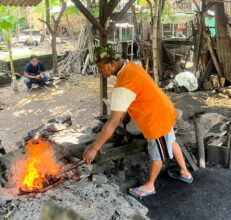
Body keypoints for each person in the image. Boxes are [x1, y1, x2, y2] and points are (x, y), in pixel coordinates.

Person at [83, 45, 193, 198]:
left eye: (100, 68)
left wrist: (95, 147)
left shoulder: (122, 87)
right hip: (164, 109)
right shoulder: (130, 66)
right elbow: (137, 93)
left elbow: (112, 123)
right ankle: (184, 172)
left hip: (155, 120)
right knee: (171, 141)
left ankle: (150, 185)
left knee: (157, 153)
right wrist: (128, 113)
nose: (100, 72)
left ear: (110, 63)